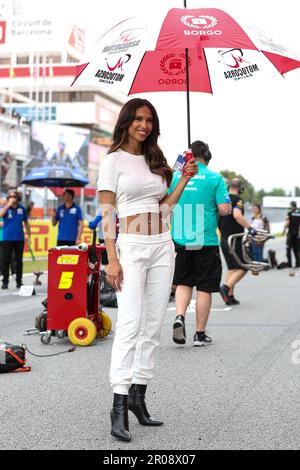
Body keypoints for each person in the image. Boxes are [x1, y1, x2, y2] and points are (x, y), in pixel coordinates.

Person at [97, 98, 198, 442]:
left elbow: (164, 207)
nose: (144, 125)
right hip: (132, 250)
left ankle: (139, 398)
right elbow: (108, 212)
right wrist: (112, 258)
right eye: (138, 119)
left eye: (149, 120)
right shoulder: (112, 162)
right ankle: (119, 406)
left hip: (162, 247)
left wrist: (182, 180)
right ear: (126, 121)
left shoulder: (155, 160)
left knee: (152, 325)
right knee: (129, 324)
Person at [170, 141, 231, 347]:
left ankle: (179, 316)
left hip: (180, 238)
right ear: (207, 156)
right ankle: (199, 334)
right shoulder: (215, 178)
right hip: (205, 239)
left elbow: (167, 197)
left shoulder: (176, 176)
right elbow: (224, 209)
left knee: (184, 281)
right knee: (204, 286)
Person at [219, 178, 256, 305]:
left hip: (223, 238)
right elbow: (237, 215)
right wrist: (250, 228)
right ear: (241, 189)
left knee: (232, 267)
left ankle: (229, 296)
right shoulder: (237, 200)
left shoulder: (222, 199)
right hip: (234, 238)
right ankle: (225, 287)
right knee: (244, 266)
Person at [0, 189, 31, 289]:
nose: (12, 198)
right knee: (6, 260)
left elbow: (26, 223)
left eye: (14, 196)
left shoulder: (22, 209)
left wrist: (28, 236)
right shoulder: (5, 208)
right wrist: (8, 205)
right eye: (10, 197)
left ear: (18, 198)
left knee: (19, 261)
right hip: (7, 238)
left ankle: (19, 281)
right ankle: (5, 281)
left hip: (19, 238)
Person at [282, 201, 300, 268]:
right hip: (297, 234)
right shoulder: (299, 213)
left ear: (292, 206)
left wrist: (283, 231)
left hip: (290, 234)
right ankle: (298, 263)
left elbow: (287, 223)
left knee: (288, 249)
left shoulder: (290, 213)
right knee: (296, 249)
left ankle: (289, 264)